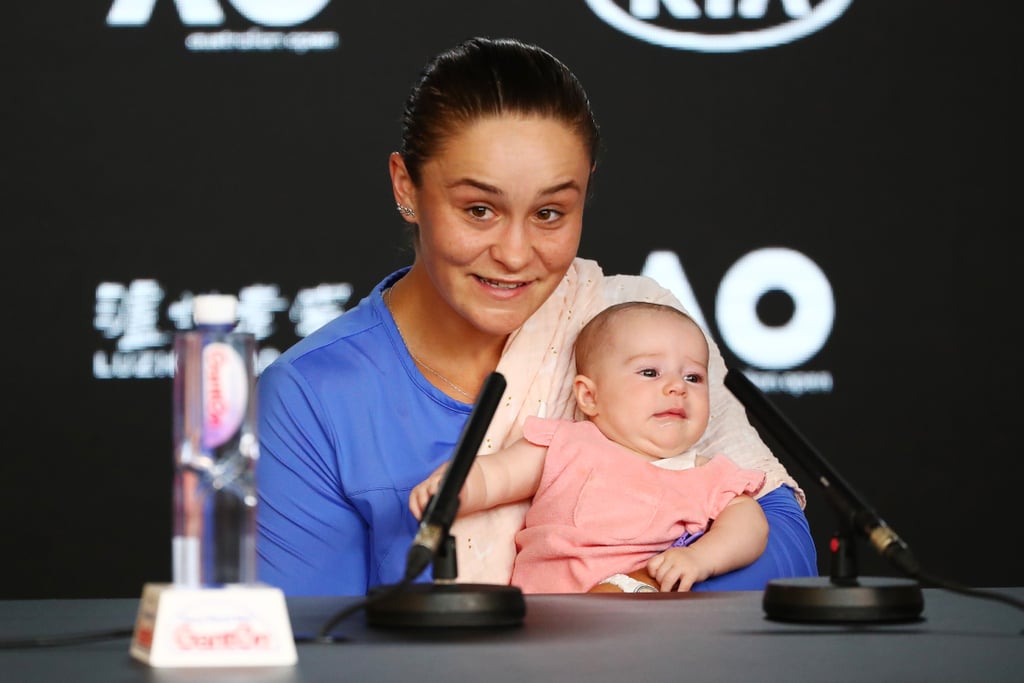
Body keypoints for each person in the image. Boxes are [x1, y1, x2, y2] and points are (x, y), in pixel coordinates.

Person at [255, 36, 817, 597]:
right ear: (407, 187)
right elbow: (312, 643)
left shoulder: (636, 327)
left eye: (549, 213)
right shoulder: (312, 397)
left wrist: (627, 592)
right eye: (479, 210)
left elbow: (784, 549)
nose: (517, 254)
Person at [409, 302, 769, 594]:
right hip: (542, 625)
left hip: (641, 628)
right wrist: (453, 488)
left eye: (693, 377)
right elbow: (498, 475)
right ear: (589, 396)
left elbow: (750, 525)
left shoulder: (707, 474)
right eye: (649, 373)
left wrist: (700, 559)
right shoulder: (568, 444)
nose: (677, 387)